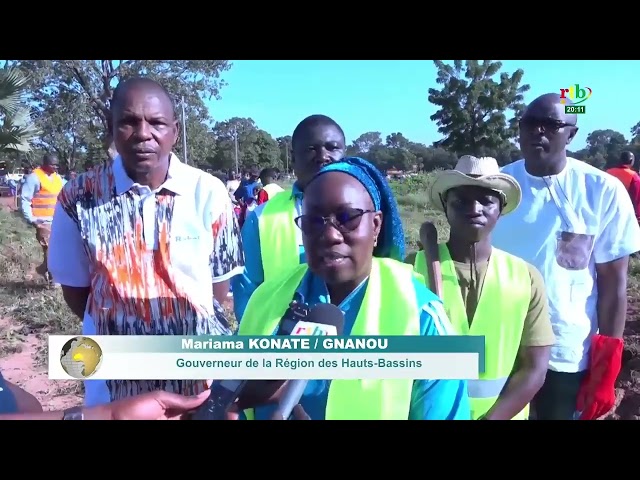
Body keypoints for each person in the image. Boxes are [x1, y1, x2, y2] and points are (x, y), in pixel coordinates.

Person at [47, 76, 244, 407]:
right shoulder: (78, 197)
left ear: (175, 132)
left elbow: (217, 292)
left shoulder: (208, 192)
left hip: (196, 377)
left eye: (156, 122)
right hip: (115, 380)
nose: (142, 133)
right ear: (111, 128)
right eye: (128, 122)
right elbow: (76, 291)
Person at [237, 157, 470, 420]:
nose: (330, 235)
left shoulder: (423, 318)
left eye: (348, 218)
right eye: (314, 221)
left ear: (376, 225)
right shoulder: (266, 299)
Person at [492, 93, 640, 420]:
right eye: (530, 124)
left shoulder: (601, 190)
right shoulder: (496, 188)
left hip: (565, 351)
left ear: (571, 134)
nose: (538, 132)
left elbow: (614, 285)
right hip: (499, 344)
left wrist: (606, 364)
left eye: (551, 125)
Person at [411, 155, 554, 420]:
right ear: (446, 206)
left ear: (501, 208)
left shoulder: (526, 277)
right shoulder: (411, 271)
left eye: (486, 201)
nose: (474, 208)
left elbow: (534, 370)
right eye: (462, 201)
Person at [232, 114, 347, 321]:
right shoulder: (261, 218)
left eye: (332, 147)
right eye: (311, 149)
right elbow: (247, 294)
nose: (322, 156)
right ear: (293, 159)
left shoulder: (369, 210)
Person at [19, 154, 63, 283]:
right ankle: (54, 280)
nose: (55, 167)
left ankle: (44, 269)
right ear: (45, 164)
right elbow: (25, 199)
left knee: (58, 249)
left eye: (57, 165)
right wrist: (32, 219)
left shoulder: (57, 178)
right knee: (51, 250)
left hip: (57, 220)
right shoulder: (34, 177)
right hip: (42, 221)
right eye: (53, 164)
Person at [606, 151, 640, 223]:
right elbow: (636, 199)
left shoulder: (608, 172)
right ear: (631, 161)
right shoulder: (634, 176)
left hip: (607, 212)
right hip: (624, 214)